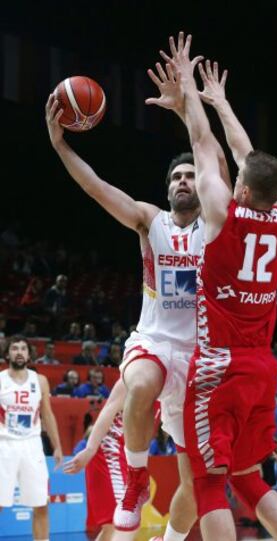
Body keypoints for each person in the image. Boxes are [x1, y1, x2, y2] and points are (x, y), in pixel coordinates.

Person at [46, 48, 230, 539]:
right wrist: (62, 146)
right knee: (142, 379)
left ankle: (171, 537)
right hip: (154, 341)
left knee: (197, 483)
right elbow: (97, 188)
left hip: (200, 358)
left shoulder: (215, 224)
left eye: (191, 175)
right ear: (167, 188)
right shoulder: (149, 221)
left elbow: (212, 155)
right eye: (176, 176)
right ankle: (135, 476)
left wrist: (191, 104)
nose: (184, 181)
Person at [160, 32, 277, 541]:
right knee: (248, 476)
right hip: (262, 367)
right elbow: (247, 154)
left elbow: (205, 146)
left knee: (208, 479)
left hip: (220, 364)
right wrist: (219, 100)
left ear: (242, 188)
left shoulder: (221, 213)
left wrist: (192, 94)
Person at [0, 335, 63, 541]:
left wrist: (57, 446)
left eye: (23, 349)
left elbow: (47, 414)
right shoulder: (0, 380)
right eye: (15, 348)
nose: (19, 352)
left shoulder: (40, 381)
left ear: (29, 354)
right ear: (7, 353)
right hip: (4, 445)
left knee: (41, 503)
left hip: (32, 446)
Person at [64, 379, 129, 541]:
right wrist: (90, 449)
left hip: (123, 454)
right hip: (108, 451)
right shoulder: (131, 378)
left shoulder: (167, 386)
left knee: (114, 525)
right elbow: (108, 409)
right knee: (119, 522)